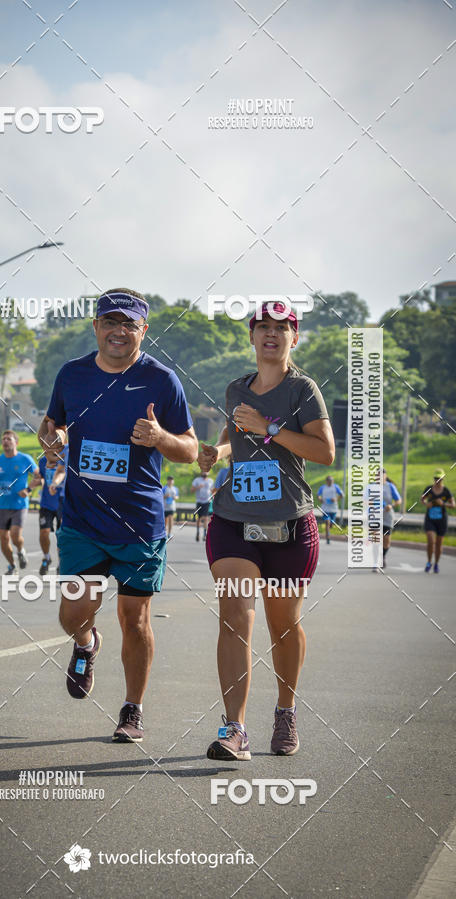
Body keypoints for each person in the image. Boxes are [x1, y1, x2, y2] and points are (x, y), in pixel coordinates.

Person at [38, 288, 197, 743]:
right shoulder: (72, 375)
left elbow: (190, 450)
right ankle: (86, 644)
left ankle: (132, 710)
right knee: (74, 614)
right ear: (96, 327)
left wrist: (160, 437)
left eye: (129, 324)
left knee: (135, 619)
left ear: (142, 330)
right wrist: (54, 441)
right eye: (110, 322)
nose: (118, 331)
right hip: (83, 521)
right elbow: (52, 427)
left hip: (139, 524)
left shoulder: (162, 381)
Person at [198, 301, 334, 760]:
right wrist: (214, 455)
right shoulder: (237, 387)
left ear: (294, 338)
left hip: (290, 526)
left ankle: (285, 710)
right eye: (263, 328)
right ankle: (234, 728)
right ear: (252, 337)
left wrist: (270, 428)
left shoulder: (303, 390)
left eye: (282, 328)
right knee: (236, 617)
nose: (271, 335)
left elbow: (324, 452)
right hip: (234, 521)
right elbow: (232, 439)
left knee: (283, 625)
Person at [0, 430, 39, 575]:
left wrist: (27, 490)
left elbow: (39, 478)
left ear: (16, 442)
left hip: (19, 504)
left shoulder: (25, 459)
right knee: (3, 538)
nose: (5, 442)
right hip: (2, 505)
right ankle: (12, 565)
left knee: (15, 535)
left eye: (9, 439)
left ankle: (20, 550)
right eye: (3, 439)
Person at [30, 446, 69, 575]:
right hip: (46, 503)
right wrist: (31, 487)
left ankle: (61, 562)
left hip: (62, 502)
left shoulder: (66, 457)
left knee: (60, 535)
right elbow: (41, 478)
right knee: (44, 532)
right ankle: (46, 557)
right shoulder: (43, 461)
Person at [421, 468, 454, 573]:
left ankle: (436, 564)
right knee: (431, 541)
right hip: (430, 519)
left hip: (441, 520)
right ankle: (429, 562)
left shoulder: (446, 491)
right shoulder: (429, 489)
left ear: (443, 478)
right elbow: (422, 499)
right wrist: (427, 504)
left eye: (439, 479)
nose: (437, 481)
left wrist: (443, 504)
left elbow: (453, 505)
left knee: (439, 544)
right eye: (436, 479)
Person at [380, 469, 401, 568]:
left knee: (386, 540)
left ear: (385, 476)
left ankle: (383, 556)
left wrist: (391, 505)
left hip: (388, 516)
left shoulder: (390, 486)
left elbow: (398, 500)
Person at [317, 475, 344, 544]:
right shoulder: (323, 488)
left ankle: (330, 526)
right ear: (326, 481)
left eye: (331, 481)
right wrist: (320, 499)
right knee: (327, 522)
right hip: (325, 508)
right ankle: (328, 538)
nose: (330, 482)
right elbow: (318, 495)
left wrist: (336, 499)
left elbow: (341, 495)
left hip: (333, 508)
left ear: (333, 481)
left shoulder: (336, 487)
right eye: (329, 481)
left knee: (331, 523)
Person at [191, 469, 214, 541]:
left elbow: (213, 490)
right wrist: (198, 487)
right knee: (200, 518)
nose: (205, 472)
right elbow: (191, 490)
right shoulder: (197, 480)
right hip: (199, 501)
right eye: (204, 471)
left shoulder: (210, 481)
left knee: (206, 517)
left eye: (206, 471)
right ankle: (198, 533)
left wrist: (213, 495)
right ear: (201, 472)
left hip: (207, 501)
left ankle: (204, 535)